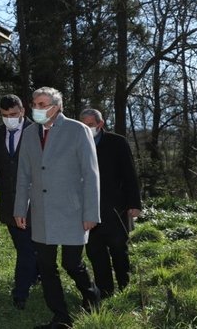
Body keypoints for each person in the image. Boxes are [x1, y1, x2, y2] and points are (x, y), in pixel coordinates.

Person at [13, 87, 101, 329]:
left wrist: (91, 213)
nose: (37, 109)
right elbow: (24, 174)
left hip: (73, 211)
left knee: (72, 263)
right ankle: (61, 316)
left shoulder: (77, 130)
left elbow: (91, 175)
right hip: (41, 212)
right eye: (35, 104)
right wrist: (20, 208)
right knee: (46, 265)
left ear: (57, 106)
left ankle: (92, 296)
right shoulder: (30, 134)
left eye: (43, 104)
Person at [0, 94, 39, 310]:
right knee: (24, 246)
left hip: (35, 200)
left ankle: (20, 293)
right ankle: (35, 274)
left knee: (28, 248)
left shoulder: (37, 131)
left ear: (23, 111)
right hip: (9, 201)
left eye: (13, 114)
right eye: (5, 115)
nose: (10, 119)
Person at [79, 109, 142, 298]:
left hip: (115, 207)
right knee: (95, 251)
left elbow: (129, 174)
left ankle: (125, 286)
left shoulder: (117, 142)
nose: (87, 128)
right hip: (88, 208)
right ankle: (105, 290)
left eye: (90, 124)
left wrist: (134, 203)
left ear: (100, 124)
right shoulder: (77, 143)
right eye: (83, 124)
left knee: (118, 249)